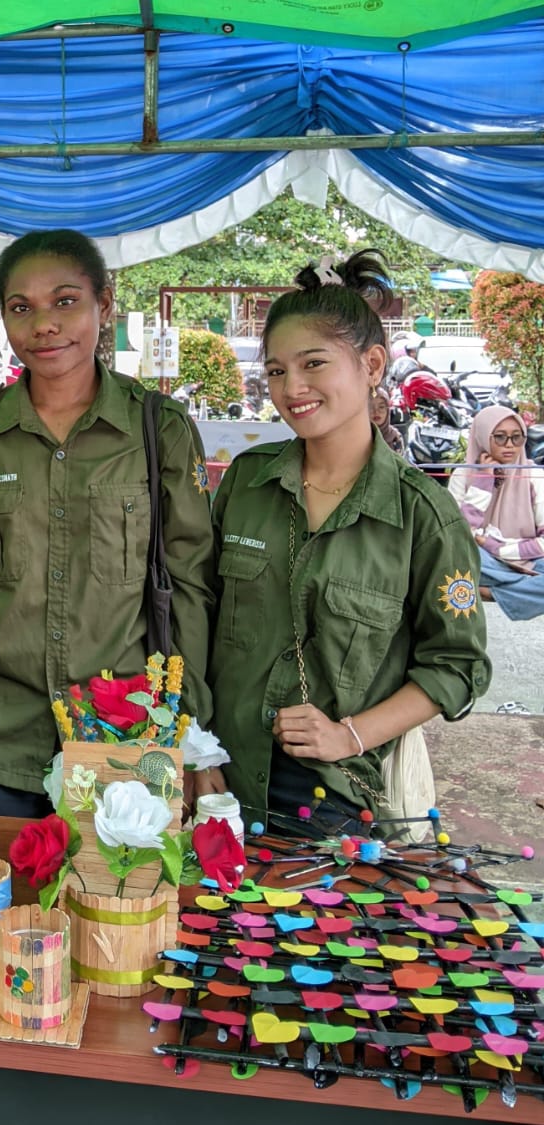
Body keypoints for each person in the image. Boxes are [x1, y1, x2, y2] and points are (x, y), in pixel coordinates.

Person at [0, 229, 218, 817]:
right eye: (22, 308)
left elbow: (189, 589)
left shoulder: (159, 429)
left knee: (118, 905)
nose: (44, 324)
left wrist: (194, 740)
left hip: (124, 735)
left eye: (65, 301)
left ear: (105, 304)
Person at [208, 250, 490, 836]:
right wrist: (194, 751)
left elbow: (458, 666)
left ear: (372, 364)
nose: (293, 388)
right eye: (278, 370)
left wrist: (349, 734)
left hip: (333, 798)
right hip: (222, 779)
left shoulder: (422, 516)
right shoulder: (246, 482)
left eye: (314, 364)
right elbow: (196, 611)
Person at [449, 405, 544, 620]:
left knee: (459, 573)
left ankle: (492, 592)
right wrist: (483, 481)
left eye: (517, 437)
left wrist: (498, 548)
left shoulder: (533, 475)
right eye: (500, 437)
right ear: (483, 437)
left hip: (524, 555)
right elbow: (456, 534)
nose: (509, 445)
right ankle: (525, 589)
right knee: (457, 558)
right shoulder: (464, 474)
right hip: (480, 558)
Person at [369, 386, 404, 453]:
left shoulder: (395, 437)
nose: (376, 412)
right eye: (370, 407)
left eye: (381, 407)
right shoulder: (361, 438)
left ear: (388, 410)